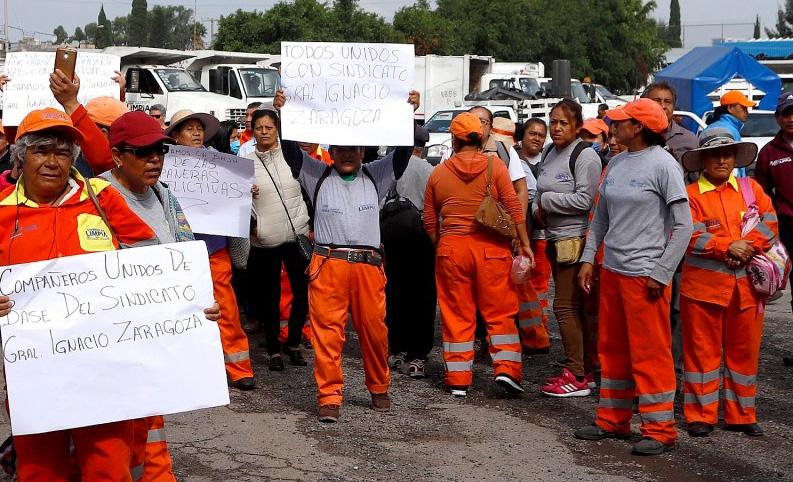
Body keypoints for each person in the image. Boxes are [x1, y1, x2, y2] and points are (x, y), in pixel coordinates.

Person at [0, 108, 154, 480]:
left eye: (63, 151)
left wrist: (191, 303)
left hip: (104, 366)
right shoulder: (1, 211)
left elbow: (155, 260)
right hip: (33, 370)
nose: (53, 162)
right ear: (21, 156)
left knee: (107, 467)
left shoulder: (101, 198)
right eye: (42, 150)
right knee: (39, 471)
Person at [277, 89, 419, 423]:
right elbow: (289, 154)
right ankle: (329, 397)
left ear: (363, 150)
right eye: (340, 148)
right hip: (328, 266)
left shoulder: (377, 173)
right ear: (332, 150)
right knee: (327, 335)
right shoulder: (317, 175)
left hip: (368, 270)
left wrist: (409, 113)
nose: (347, 154)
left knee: (374, 332)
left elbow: (402, 153)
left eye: (354, 148)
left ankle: (379, 387)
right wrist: (282, 113)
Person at [574, 98, 692, 456]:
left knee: (650, 353)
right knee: (613, 349)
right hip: (613, 272)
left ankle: (660, 430)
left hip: (645, 277)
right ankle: (613, 420)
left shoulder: (664, 165)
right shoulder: (618, 162)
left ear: (639, 128)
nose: (615, 126)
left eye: (622, 122)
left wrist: (661, 271)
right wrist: (588, 259)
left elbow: (684, 226)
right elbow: (601, 219)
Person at [424, 112, 534, 397]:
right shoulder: (495, 166)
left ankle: (458, 379)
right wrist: (524, 244)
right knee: (500, 313)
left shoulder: (438, 173)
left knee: (456, 314)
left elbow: (429, 220)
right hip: (492, 252)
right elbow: (513, 206)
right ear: (482, 136)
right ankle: (507, 370)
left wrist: (443, 247)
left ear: (453, 138)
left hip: (452, 251)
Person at [678, 128, 775, 438]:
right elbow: (687, 234)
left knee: (744, 354)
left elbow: (771, 222)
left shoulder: (751, 189)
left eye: (727, 153)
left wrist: (747, 246)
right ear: (703, 159)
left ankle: (742, 415)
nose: (722, 159)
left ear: (735, 158)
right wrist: (727, 247)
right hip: (703, 291)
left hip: (747, 290)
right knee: (700, 355)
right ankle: (700, 416)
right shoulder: (691, 195)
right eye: (715, 154)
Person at [164, 109, 256, 385]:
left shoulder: (221, 164)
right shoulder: (162, 163)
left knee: (226, 307)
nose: (195, 133)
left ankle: (240, 370)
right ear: (176, 136)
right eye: (188, 128)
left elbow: (234, 196)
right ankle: (186, 370)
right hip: (178, 253)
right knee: (180, 310)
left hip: (215, 249)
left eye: (199, 128)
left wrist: (245, 190)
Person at [532, 99, 602, 397]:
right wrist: (536, 205)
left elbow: (585, 200)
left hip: (576, 241)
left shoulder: (585, 157)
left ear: (577, 126)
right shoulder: (549, 151)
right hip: (553, 238)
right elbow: (540, 189)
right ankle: (586, 369)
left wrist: (547, 202)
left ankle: (576, 374)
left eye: (563, 123)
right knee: (573, 308)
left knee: (565, 307)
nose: (556, 128)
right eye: (553, 122)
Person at [245, 107, 311, 370]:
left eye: (269, 127)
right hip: (266, 239)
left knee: (302, 294)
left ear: (277, 129)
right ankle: (273, 349)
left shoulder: (293, 158)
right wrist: (244, 191)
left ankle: (293, 344)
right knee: (269, 297)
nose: (263, 132)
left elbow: (310, 190)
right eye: (259, 128)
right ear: (253, 131)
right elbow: (235, 203)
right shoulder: (246, 163)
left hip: (297, 235)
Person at [383, 126, 436, 378]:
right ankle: (419, 354)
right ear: (422, 146)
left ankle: (397, 348)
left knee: (395, 292)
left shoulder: (389, 168)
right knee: (423, 297)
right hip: (424, 240)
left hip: (393, 239)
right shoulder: (431, 171)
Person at [755, 91, 793, 367]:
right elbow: (761, 196)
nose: (791, 119)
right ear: (778, 118)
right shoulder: (769, 152)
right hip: (787, 229)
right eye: (786, 114)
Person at [517, 118, 552, 353]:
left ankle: (539, 332)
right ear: (523, 136)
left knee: (539, 288)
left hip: (542, 236)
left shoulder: (549, 162)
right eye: (532, 133)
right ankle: (529, 332)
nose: (537, 138)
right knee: (521, 285)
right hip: (523, 236)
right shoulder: (513, 161)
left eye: (541, 134)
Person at [642, 81, 698, 163]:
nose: (662, 106)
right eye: (657, 100)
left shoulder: (689, 139)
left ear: (673, 107)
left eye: (667, 101)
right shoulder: (635, 137)